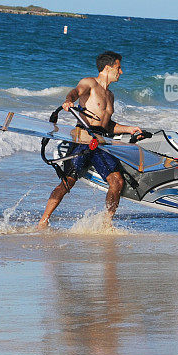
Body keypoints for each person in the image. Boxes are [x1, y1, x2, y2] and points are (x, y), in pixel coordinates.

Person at [38, 51, 142, 230]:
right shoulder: (90, 83)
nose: (121, 72)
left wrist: (129, 129)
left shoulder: (110, 96)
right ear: (107, 68)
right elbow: (75, 92)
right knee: (68, 181)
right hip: (83, 140)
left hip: (101, 142)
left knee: (117, 182)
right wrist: (68, 101)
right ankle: (43, 220)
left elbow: (107, 125)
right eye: (119, 68)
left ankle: (106, 224)